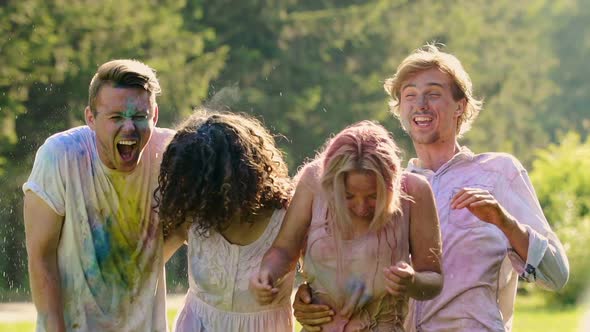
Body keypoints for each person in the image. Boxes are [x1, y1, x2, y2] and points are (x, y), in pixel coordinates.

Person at [295, 45, 570, 331]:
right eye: (410, 95)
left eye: (434, 94)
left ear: (460, 106)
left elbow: (556, 275)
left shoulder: (499, 173)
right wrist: (310, 297)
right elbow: (354, 274)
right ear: (400, 110)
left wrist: (505, 222)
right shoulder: (386, 190)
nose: (420, 104)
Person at [22, 59, 174, 331]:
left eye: (139, 117)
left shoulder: (170, 156)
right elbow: (40, 256)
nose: (129, 128)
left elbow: (194, 228)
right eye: (116, 117)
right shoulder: (61, 156)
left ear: (155, 116)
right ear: (90, 118)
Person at [251, 120, 443, 331]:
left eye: (373, 196)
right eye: (348, 196)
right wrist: (267, 274)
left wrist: (413, 283)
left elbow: (434, 280)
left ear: (392, 185)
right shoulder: (312, 182)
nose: (361, 207)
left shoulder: (415, 191)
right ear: (330, 183)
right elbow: (284, 250)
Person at [159, 110, 296, 331]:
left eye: (206, 187)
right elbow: (145, 270)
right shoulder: (193, 217)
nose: (198, 198)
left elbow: (319, 273)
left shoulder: (286, 217)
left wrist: (306, 297)